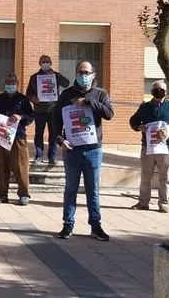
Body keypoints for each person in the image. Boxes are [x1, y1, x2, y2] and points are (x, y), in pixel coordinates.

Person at [52, 61, 114, 241]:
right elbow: (56, 120)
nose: (83, 75)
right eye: (80, 72)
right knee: (70, 188)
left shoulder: (100, 94)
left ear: (93, 74)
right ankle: (68, 224)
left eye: (86, 72)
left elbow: (109, 114)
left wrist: (88, 102)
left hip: (93, 150)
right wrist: (60, 140)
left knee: (92, 190)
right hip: (72, 150)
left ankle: (95, 226)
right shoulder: (66, 94)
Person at [128, 80, 169, 213]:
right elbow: (133, 120)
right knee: (146, 176)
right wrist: (139, 126)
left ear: (166, 92)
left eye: (161, 89)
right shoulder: (145, 107)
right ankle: (143, 203)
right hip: (148, 148)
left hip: (167, 149)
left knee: (165, 177)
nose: (158, 91)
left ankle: (163, 203)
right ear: (151, 92)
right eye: (156, 89)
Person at [0, 73, 35, 205]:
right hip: (0, 137)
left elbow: (31, 117)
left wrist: (21, 117)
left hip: (18, 137)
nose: (10, 85)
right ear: (4, 84)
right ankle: (2, 194)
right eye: (8, 82)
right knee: (2, 167)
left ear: (17, 84)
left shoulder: (23, 99)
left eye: (12, 82)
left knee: (21, 167)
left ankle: (24, 194)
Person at [26, 55, 70, 165]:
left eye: (47, 61)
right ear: (39, 63)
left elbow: (66, 83)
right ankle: (39, 156)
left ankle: (52, 157)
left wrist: (55, 75)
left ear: (51, 63)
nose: (45, 63)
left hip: (53, 110)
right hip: (39, 111)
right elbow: (28, 93)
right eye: (43, 61)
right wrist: (33, 98)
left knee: (54, 134)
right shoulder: (34, 77)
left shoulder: (55, 75)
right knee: (38, 134)